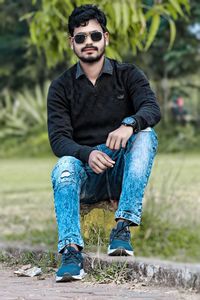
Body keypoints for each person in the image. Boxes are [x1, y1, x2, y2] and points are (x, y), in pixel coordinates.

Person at [47, 4, 161, 282]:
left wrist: (129, 124)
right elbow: (59, 139)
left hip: (122, 168)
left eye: (95, 35)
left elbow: (151, 109)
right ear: (71, 42)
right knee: (64, 165)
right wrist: (86, 155)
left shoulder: (128, 74)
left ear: (106, 38)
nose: (89, 42)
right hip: (88, 176)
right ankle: (71, 252)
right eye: (81, 37)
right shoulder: (61, 87)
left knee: (145, 135)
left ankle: (122, 227)